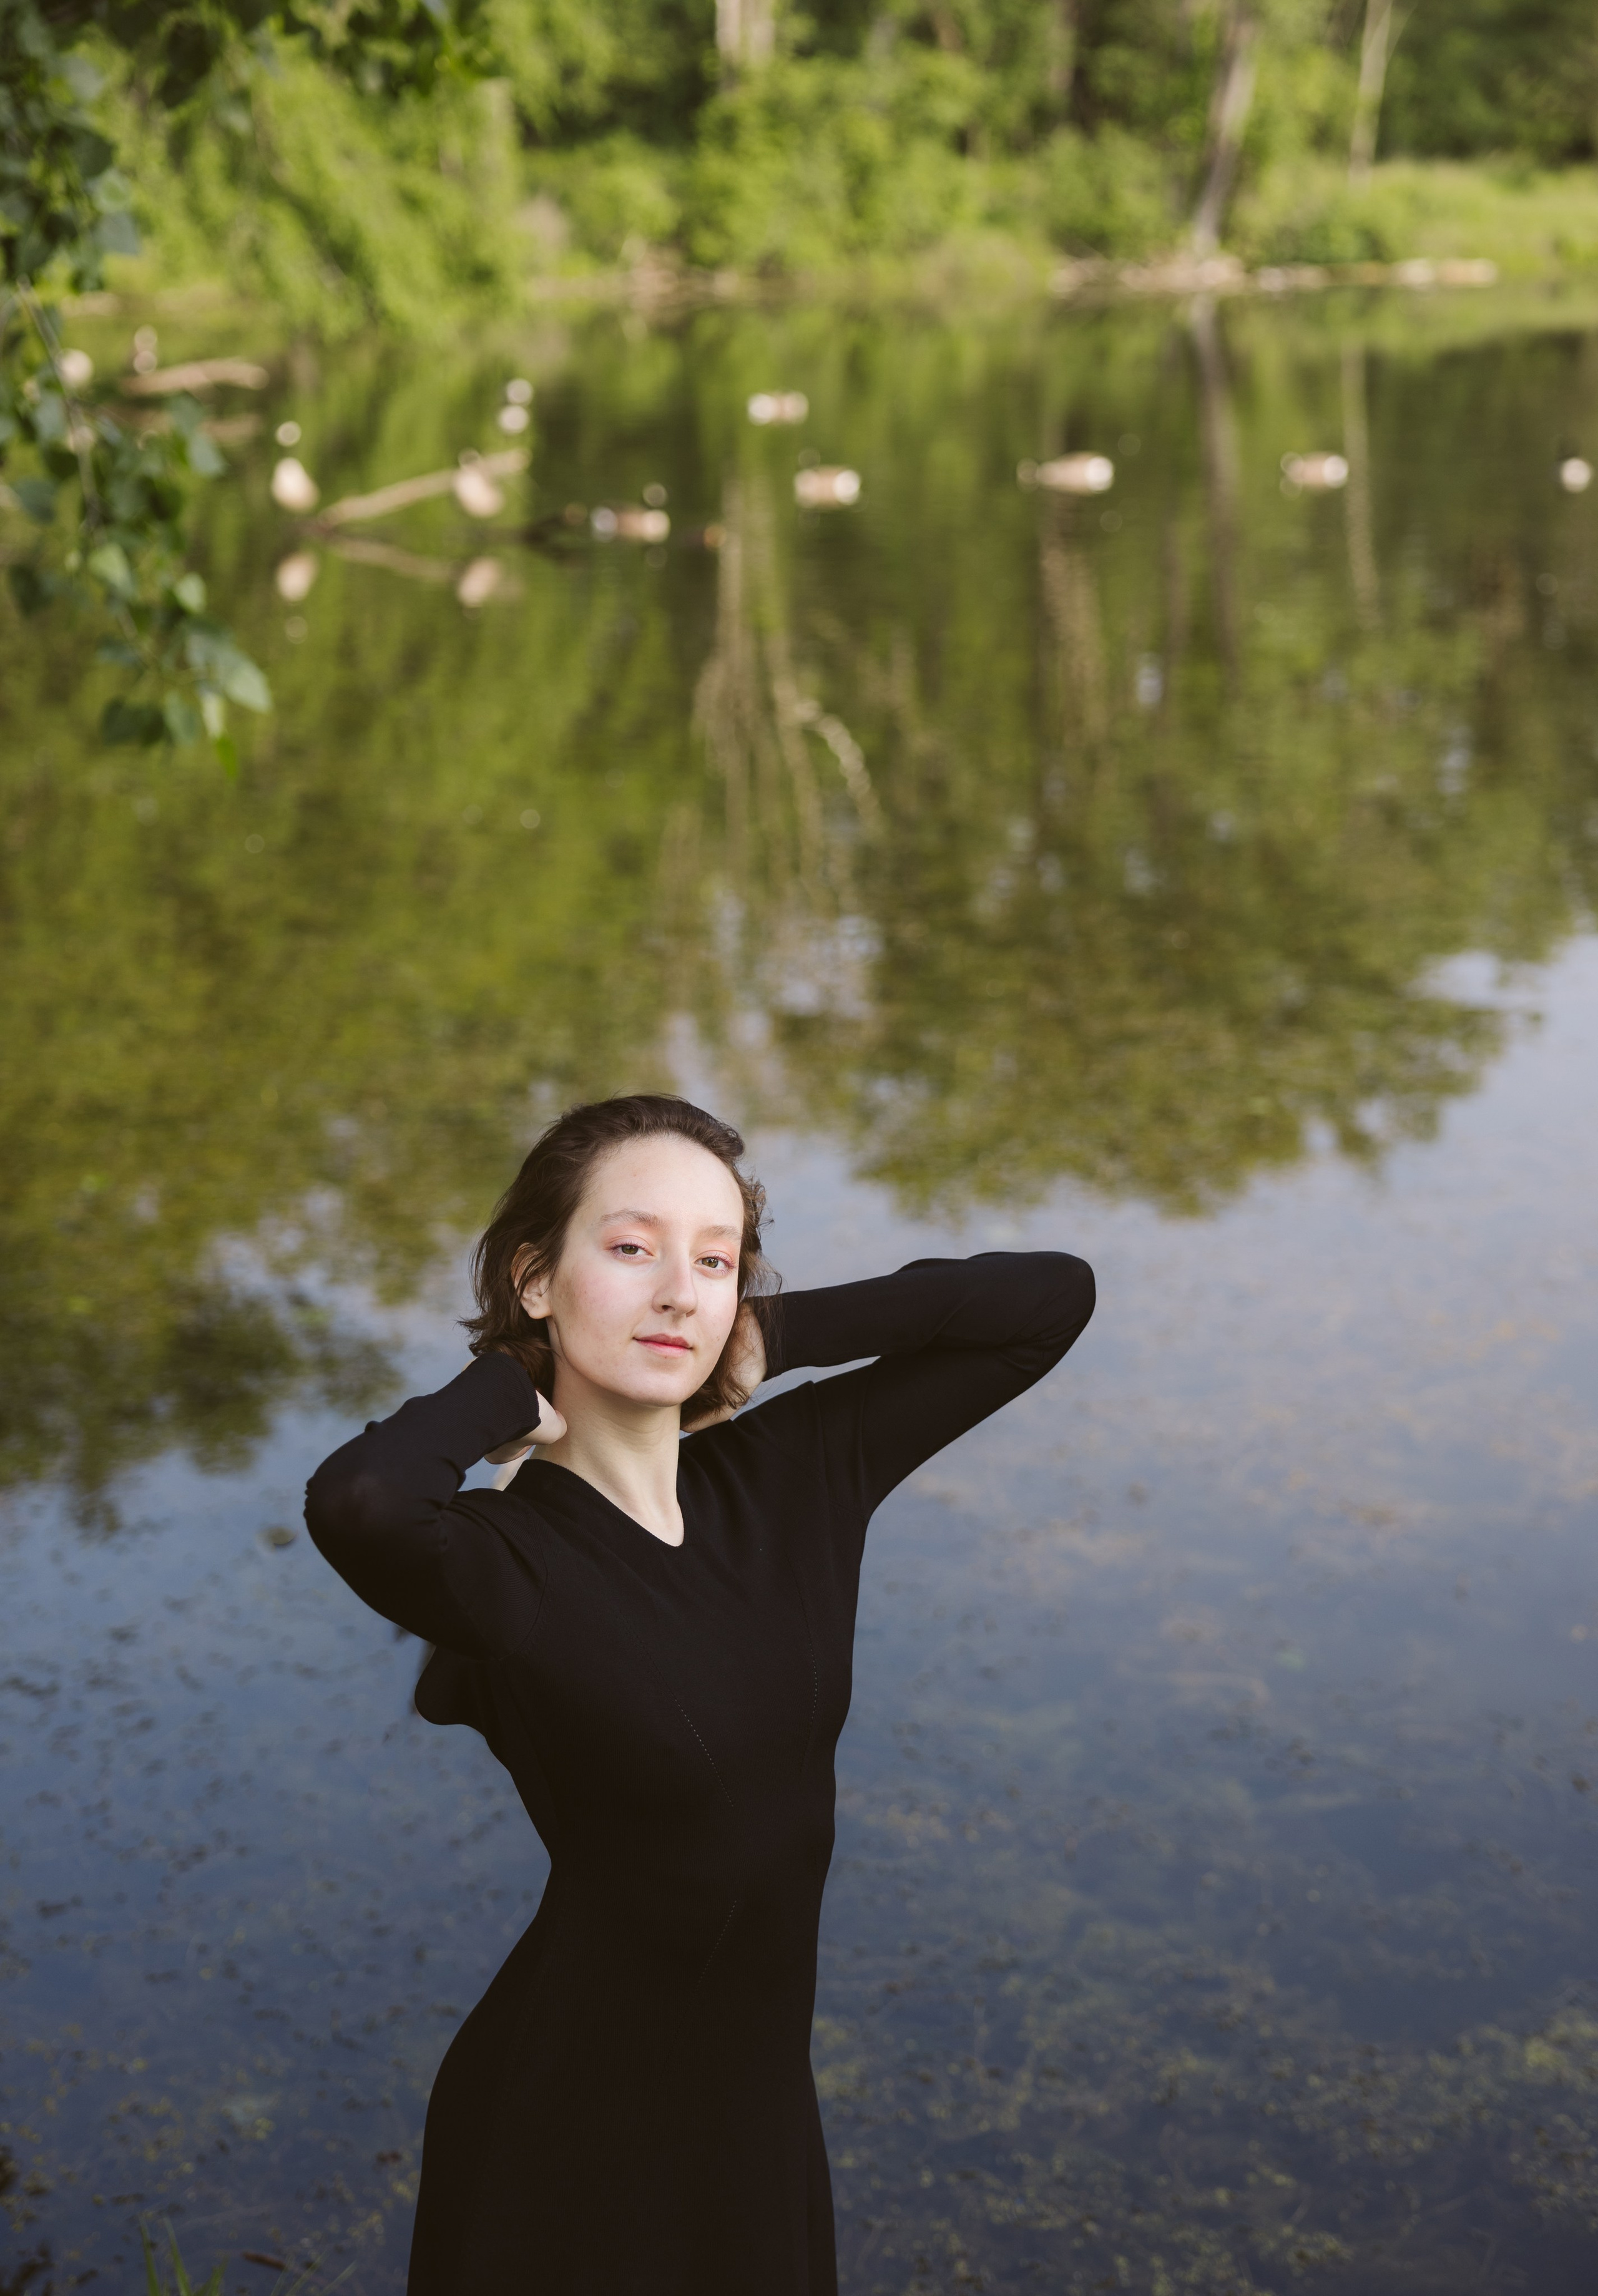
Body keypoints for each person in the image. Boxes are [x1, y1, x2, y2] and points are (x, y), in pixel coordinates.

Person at [304, 1093, 1095, 2295]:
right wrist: (507, 1385)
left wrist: (765, 1333)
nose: (678, 1291)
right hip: (572, 2126)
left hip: (758, 2103)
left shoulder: (795, 1474)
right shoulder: (506, 1564)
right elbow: (362, 1499)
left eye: (713, 1258)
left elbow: (1048, 1302)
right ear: (536, 1276)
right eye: (630, 1249)